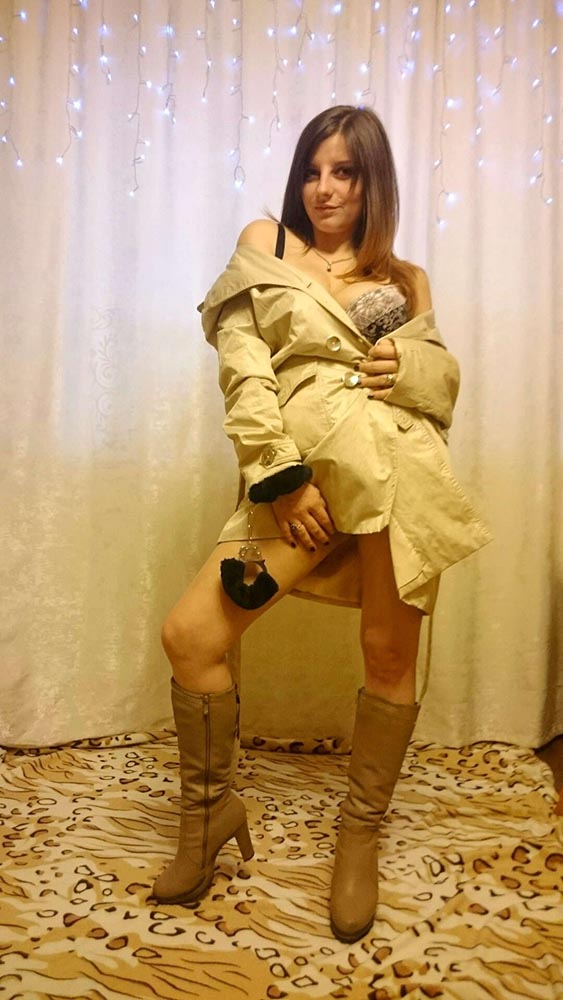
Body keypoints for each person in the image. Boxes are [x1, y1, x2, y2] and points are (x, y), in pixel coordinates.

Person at [152, 106, 491, 943]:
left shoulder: (405, 277)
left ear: (374, 183)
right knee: (192, 636)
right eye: (312, 170)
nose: (324, 188)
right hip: (305, 477)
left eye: (344, 172)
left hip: (400, 476)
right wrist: (279, 477)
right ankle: (209, 814)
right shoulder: (265, 244)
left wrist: (407, 365)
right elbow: (243, 368)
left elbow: (440, 388)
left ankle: (358, 837)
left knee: (387, 654)